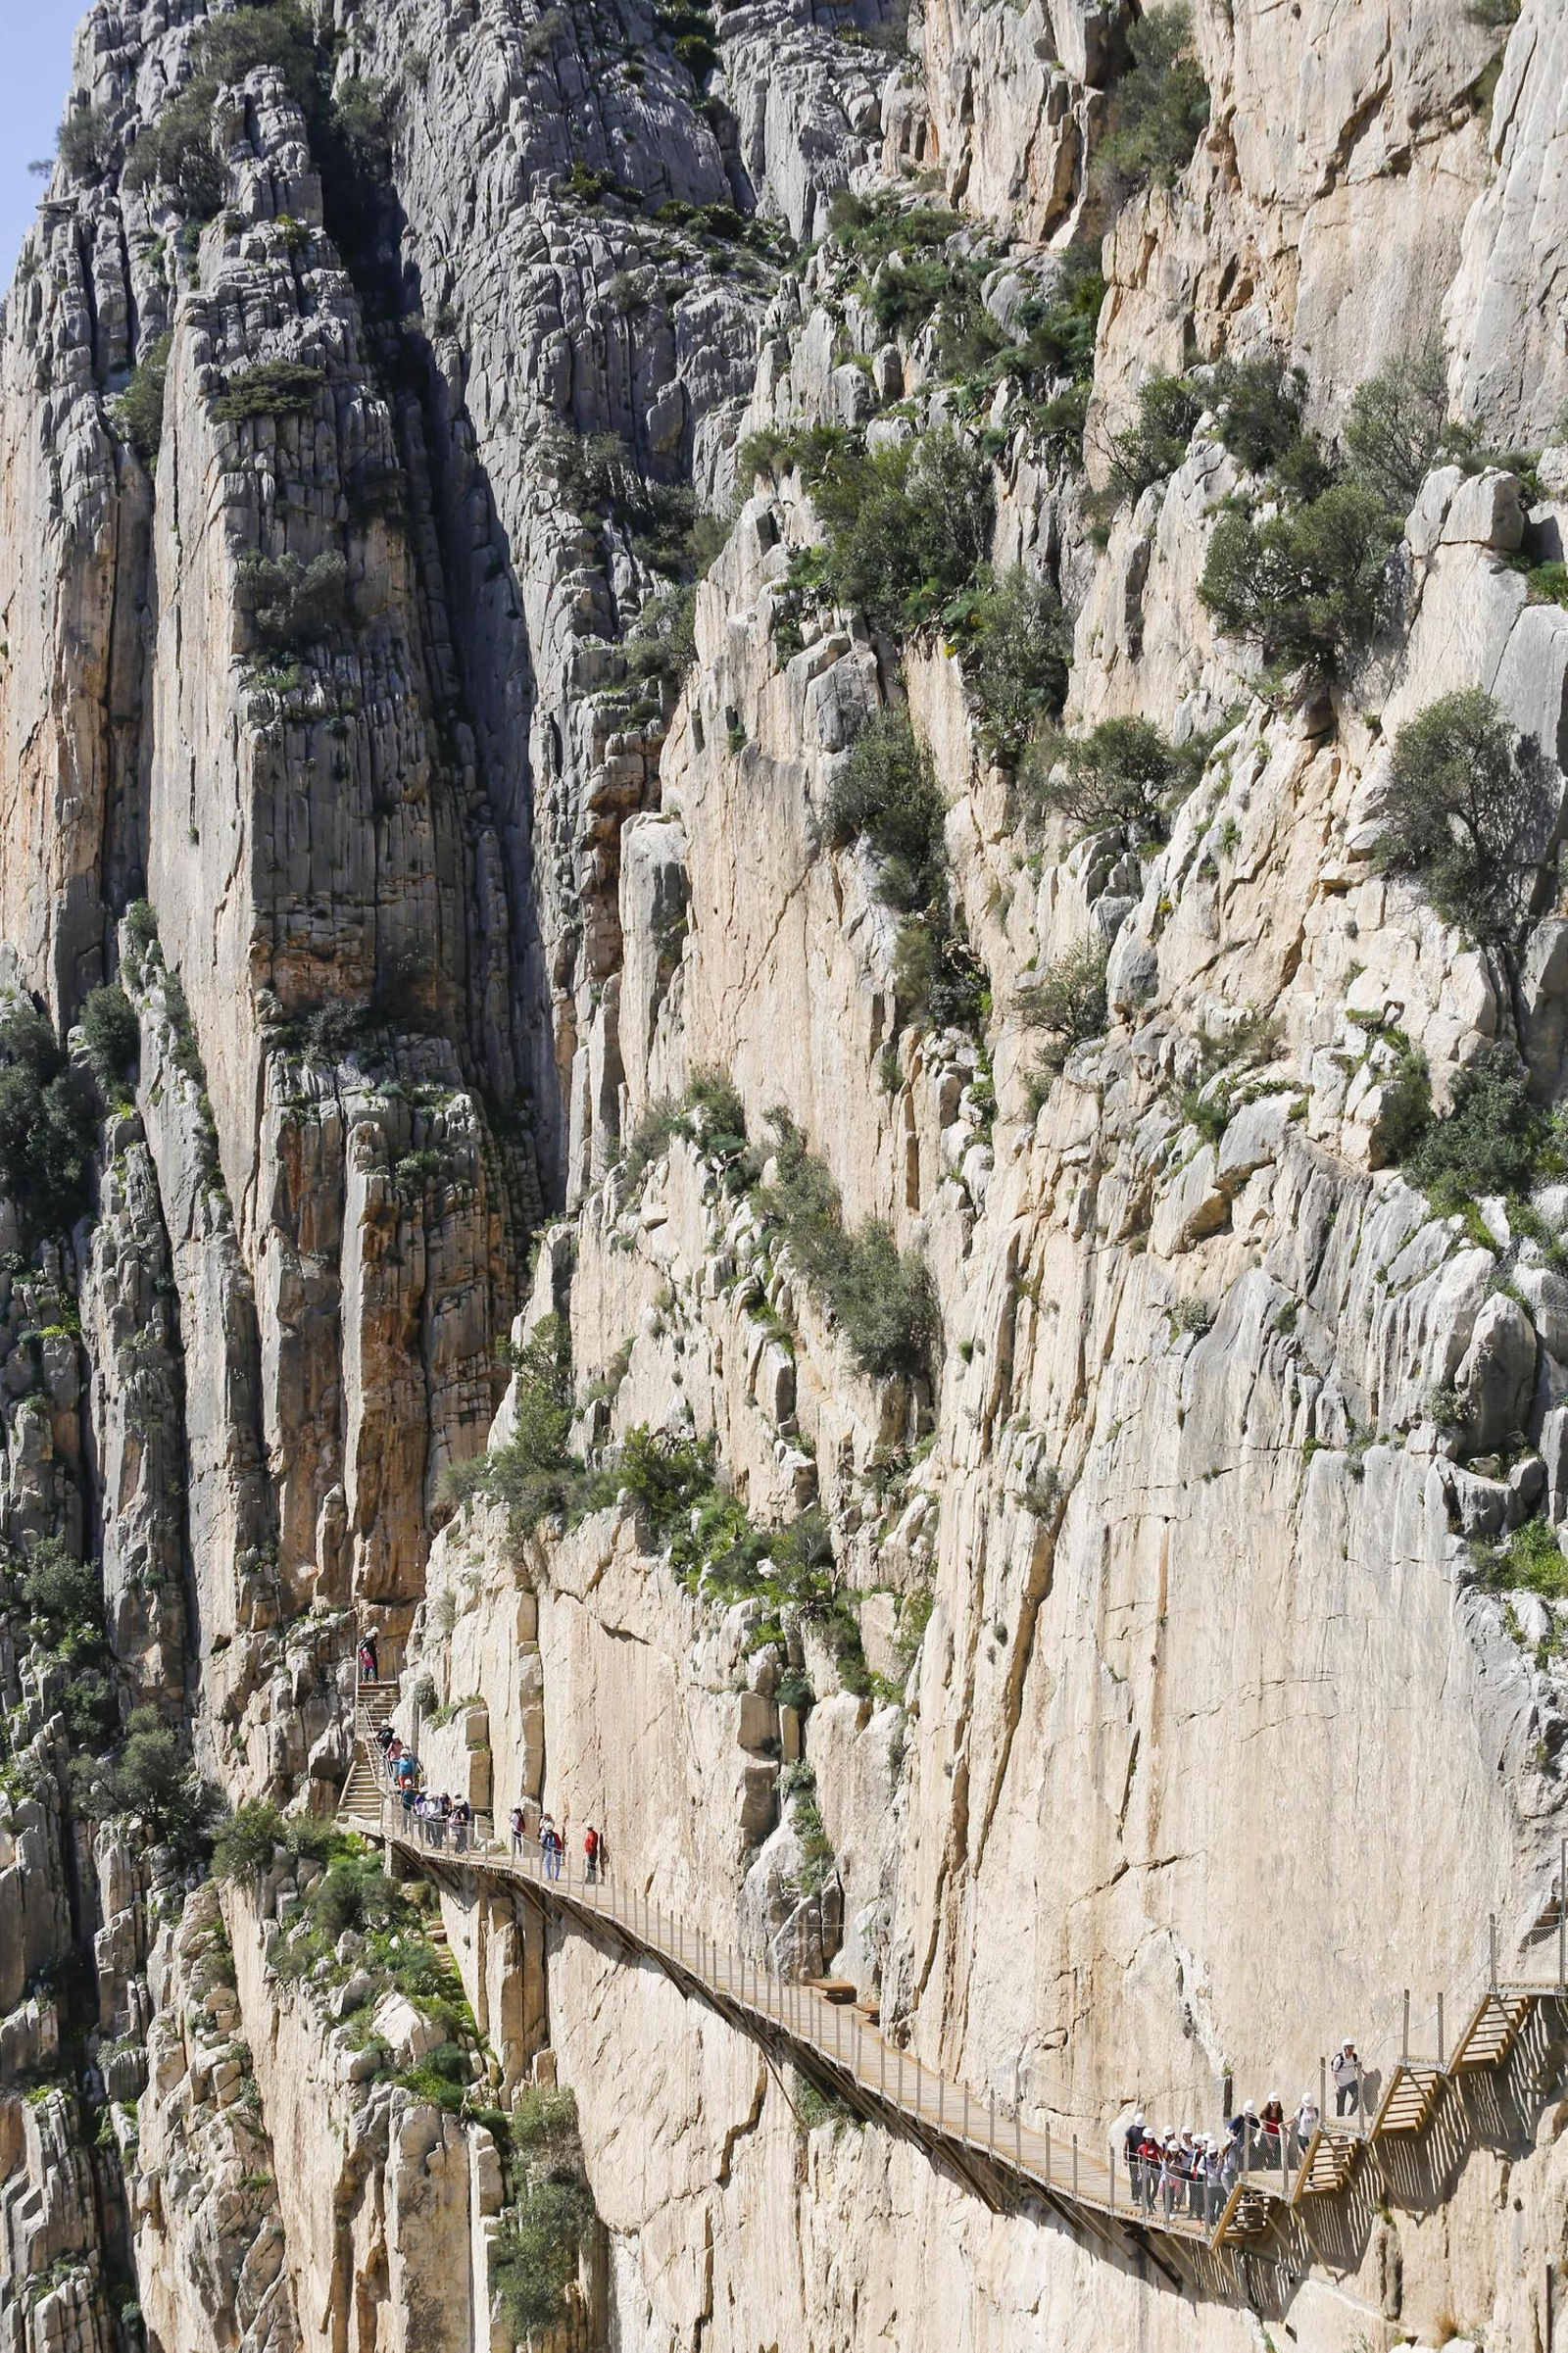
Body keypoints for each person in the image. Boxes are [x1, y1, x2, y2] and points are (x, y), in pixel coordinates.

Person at [1332, 2040, 1361, 2118]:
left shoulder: (1355, 2057)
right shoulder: (1339, 2060)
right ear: (1344, 2049)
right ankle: (1340, 2119)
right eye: (1349, 2049)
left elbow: (1359, 2067)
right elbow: (1334, 2073)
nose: (1351, 2051)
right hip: (1341, 2084)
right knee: (1340, 2105)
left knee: (1358, 2096)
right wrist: (1336, 2086)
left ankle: (1350, 2113)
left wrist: (1365, 2073)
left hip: (1352, 2081)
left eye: (1352, 2049)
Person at [1123, 2111, 1146, 2204]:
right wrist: (1125, 2158)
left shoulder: (1145, 2130)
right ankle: (1135, 2196)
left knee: (1141, 2178)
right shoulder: (1130, 2131)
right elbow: (1125, 2145)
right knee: (1134, 2178)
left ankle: (1140, 2194)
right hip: (1133, 2159)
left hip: (1143, 2158)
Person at [1259, 2093, 1287, 2169]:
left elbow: (1281, 2124)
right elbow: (1264, 2129)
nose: (1274, 2104)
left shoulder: (1279, 2113)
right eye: (1272, 2102)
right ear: (1269, 2103)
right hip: (1266, 2138)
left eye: (1276, 2102)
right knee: (1269, 2158)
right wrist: (1269, 2142)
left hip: (1276, 2137)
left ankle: (1274, 2169)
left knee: (1277, 2158)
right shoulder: (1265, 2113)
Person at [1294, 2091, 1320, 2157]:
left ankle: (1310, 2167)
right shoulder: (1301, 2111)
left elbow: (1323, 2119)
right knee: (1306, 2155)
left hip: (1312, 2137)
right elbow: (1292, 2119)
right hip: (1302, 2136)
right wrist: (1283, 2124)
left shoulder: (1316, 2111)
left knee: (1310, 2155)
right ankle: (1307, 2166)